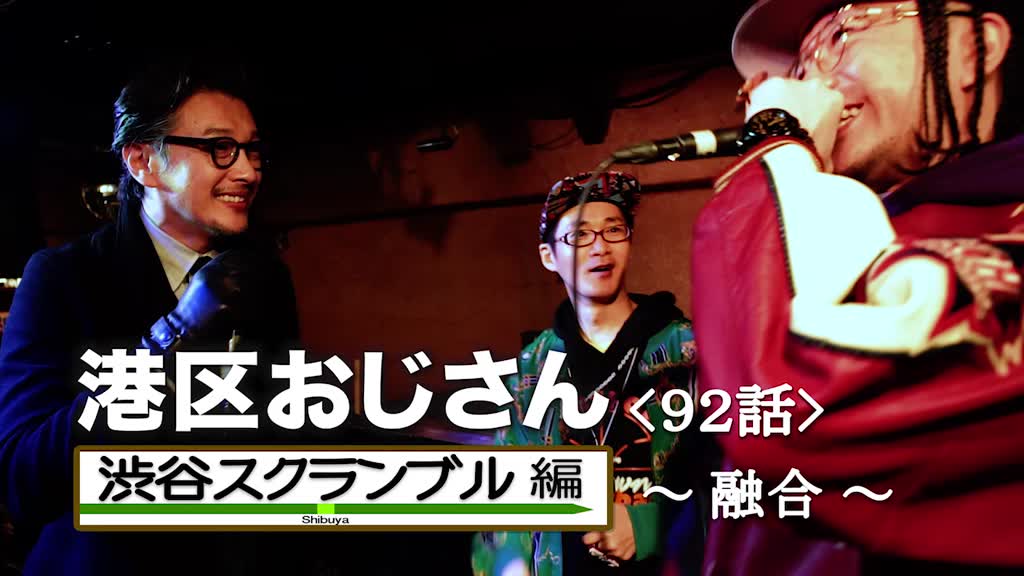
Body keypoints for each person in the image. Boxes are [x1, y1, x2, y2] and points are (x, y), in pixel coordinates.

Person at [690, 0, 1024, 573]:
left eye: (839, 35)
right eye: (799, 68)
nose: (810, 84)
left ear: (975, 49)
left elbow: (801, 412)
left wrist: (776, 144)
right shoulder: (854, 230)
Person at [0, 62, 299, 575]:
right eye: (219, 147)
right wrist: (173, 337)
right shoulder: (62, 277)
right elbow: (23, 478)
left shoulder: (265, 277)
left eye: (252, 151)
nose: (248, 172)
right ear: (142, 161)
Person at [472, 172, 709, 575]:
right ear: (549, 256)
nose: (600, 246)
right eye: (579, 235)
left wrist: (647, 525)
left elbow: (738, 482)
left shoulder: (687, 350)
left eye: (613, 230)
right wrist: (506, 565)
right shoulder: (535, 363)